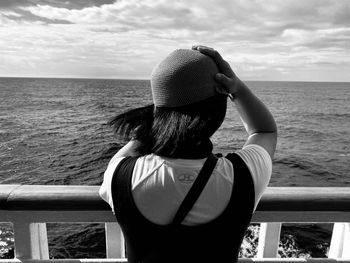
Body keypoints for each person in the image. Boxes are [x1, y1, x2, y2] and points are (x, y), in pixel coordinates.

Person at [99, 45, 277, 263]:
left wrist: (162, 113)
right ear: (217, 112)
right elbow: (264, 131)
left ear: (158, 113)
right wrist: (236, 87)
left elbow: (139, 142)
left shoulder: (120, 176)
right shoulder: (243, 176)